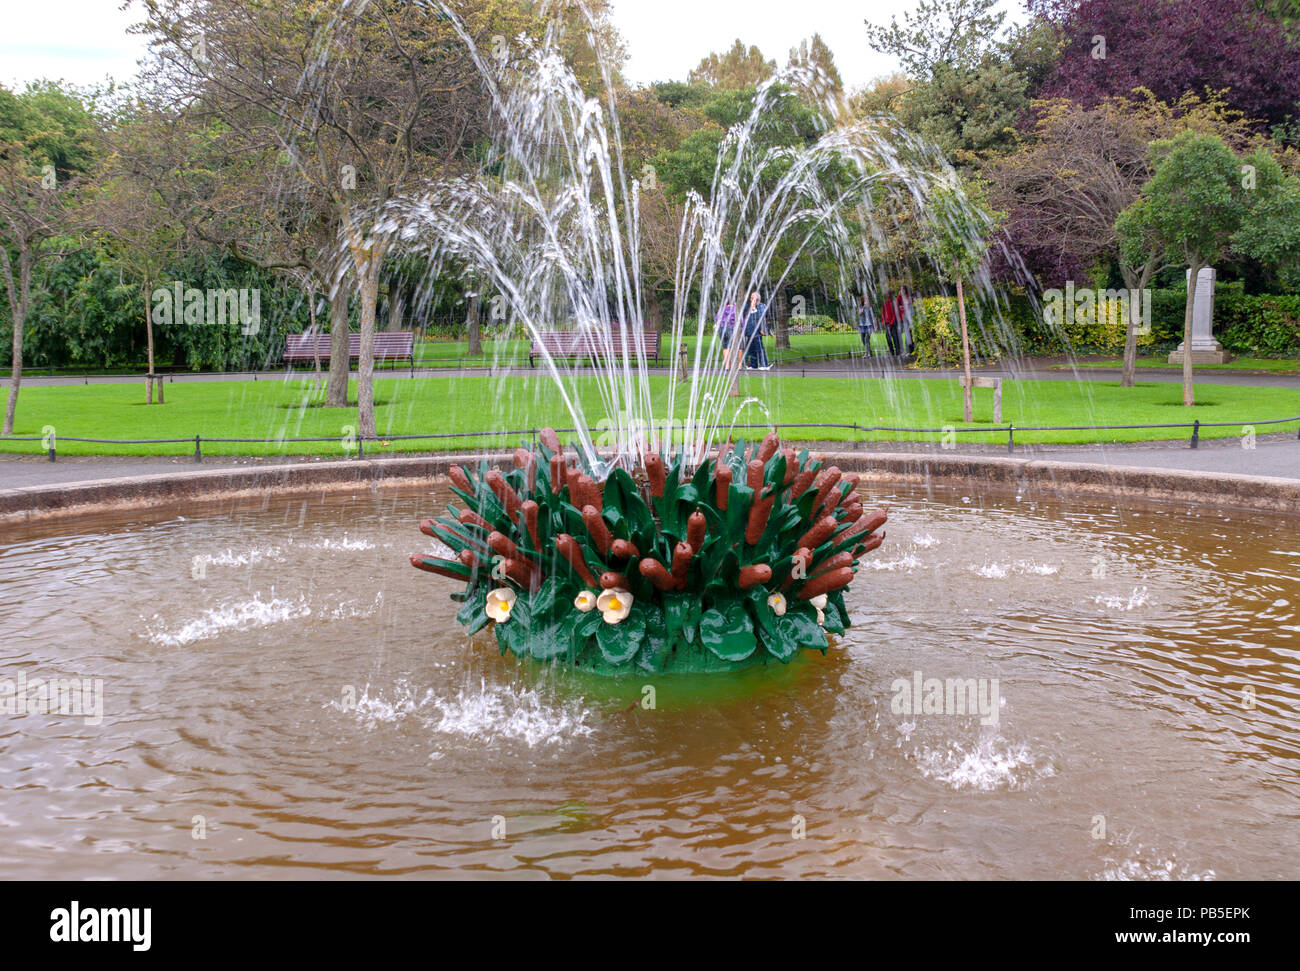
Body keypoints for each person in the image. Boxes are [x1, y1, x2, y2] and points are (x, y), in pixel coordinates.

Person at [742, 291, 770, 370]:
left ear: (757, 299)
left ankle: (765, 365)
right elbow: (744, 313)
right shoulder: (748, 306)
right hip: (749, 331)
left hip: (757, 331)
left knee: (759, 348)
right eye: (750, 298)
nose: (750, 300)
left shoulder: (762, 306)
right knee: (751, 349)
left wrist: (754, 308)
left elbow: (760, 316)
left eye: (752, 298)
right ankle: (754, 365)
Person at [716, 300, 738, 367]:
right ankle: (733, 365)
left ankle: (727, 366)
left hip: (721, 329)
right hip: (730, 328)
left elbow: (716, 319)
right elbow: (741, 320)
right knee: (731, 347)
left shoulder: (722, 309)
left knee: (725, 347)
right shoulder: (735, 308)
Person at [881, 289, 902, 358]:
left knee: (895, 337)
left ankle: (898, 352)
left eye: (887, 294)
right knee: (888, 337)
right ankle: (891, 351)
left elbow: (896, 313)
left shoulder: (894, 302)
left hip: (893, 323)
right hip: (887, 322)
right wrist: (882, 321)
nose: (886, 295)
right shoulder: (885, 302)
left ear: (890, 294)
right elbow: (883, 312)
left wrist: (892, 321)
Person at [897, 285, 915, 356]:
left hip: (909, 319)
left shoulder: (909, 298)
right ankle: (908, 351)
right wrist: (899, 295)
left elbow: (911, 307)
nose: (901, 291)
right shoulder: (900, 299)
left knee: (910, 335)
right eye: (900, 289)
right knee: (906, 335)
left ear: (905, 290)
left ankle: (910, 350)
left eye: (902, 289)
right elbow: (897, 304)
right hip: (903, 319)